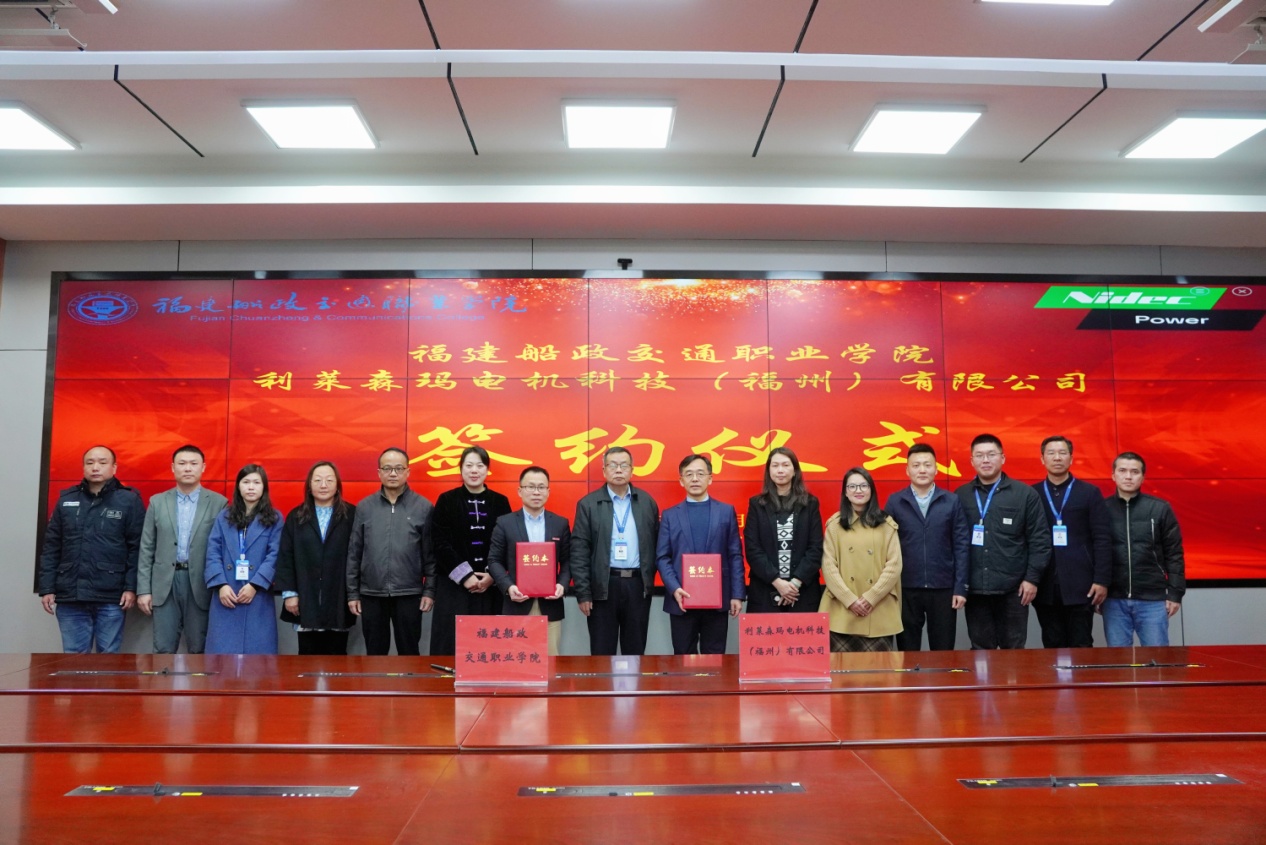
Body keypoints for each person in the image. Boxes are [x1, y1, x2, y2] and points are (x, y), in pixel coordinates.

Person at [38, 445, 144, 654]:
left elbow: (137, 548)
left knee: (108, 657)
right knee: (74, 658)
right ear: (83, 467)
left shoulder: (129, 501)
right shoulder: (66, 499)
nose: (95, 467)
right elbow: (51, 547)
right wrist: (47, 588)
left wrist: (131, 587)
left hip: (111, 595)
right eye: (90, 462)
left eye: (102, 462)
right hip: (71, 594)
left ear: (114, 468)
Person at [955, 434, 1051, 650]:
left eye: (991, 454)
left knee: (1014, 653)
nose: (985, 460)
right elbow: (955, 543)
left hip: (1014, 590)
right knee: (980, 653)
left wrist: (1032, 579)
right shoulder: (961, 495)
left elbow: (1040, 541)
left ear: (1003, 458)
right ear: (972, 461)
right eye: (979, 455)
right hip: (976, 590)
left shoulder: (1024, 494)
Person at [137, 444, 227, 654]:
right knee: (163, 648)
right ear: (172, 467)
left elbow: (223, 550)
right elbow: (146, 548)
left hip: (201, 584)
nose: (188, 468)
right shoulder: (157, 502)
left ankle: (200, 679)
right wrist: (143, 590)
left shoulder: (219, 503)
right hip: (164, 584)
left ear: (203, 467)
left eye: (193, 464)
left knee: (200, 648)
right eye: (182, 463)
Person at [346, 447, 436, 656]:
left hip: (409, 593)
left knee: (409, 652)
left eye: (398, 468)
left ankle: (409, 680)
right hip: (371, 593)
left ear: (408, 472)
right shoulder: (365, 507)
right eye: (387, 468)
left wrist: (429, 591)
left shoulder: (423, 507)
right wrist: (353, 593)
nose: (393, 473)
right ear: (379, 473)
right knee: (375, 654)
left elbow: (430, 556)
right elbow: (354, 553)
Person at [571, 446, 661, 655]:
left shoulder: (646, 502)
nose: (618, 470)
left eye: (624, 465)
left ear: (632, 470)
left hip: (637, 586)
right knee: (602, 652)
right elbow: (579, 552)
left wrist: (648, 581)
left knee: (635, 651)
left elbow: (657, 546)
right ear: (604, 470)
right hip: (603, 586)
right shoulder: (588, 504)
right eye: (612, 465)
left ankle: (633, 679)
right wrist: (583, 593)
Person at [655, 454, 745, 655]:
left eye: (700, 474)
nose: (695, 479)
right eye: (689, 474)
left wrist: (737, 594)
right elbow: (662, 557)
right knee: (683, 658)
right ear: (681, 480)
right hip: (681, 600)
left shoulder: (726, 511)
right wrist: (674, 588)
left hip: (717, 600)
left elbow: (735, 555)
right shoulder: (669, 515)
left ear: (710, 479)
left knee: (715, 658)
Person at [428, 446, 513, 655]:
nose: (474, 470)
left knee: (488, 645)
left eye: (480, 465)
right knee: (452, 645)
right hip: (454, 587)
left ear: (487, 470)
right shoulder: (446, 500)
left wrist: (493, 575)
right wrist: (465, 576)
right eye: (469, 465)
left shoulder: (500, 502)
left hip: (491, 587)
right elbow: (439, 543)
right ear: (461, 469)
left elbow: (507, 543)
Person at [884, 444, 969, 651]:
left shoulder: (951, 501)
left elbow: (961, 545)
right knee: (907, 649)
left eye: (927, 465)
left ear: (936, 469)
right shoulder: (895, 501)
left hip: (943, 587)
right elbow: (885, 546)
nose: (922, 470)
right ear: (907, 470)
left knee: (943, 649)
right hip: (906, 587)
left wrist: (960, 587)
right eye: (916, 465)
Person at [1032, 436, 1112, 648]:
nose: (1057, 458)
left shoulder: (1089, 492)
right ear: (1042, 459)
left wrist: (1102, 580)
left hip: (1082, 584)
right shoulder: (1032, 494)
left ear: (1071, 458)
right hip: (1045, 585)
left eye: (1062, 453)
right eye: (1051, 453)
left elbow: (1102, 539)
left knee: (1081, 644)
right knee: (1052, 643)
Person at [1102, 451, 1185, 647]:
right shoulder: (1101, 508)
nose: (1128, 476)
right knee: (1119, 660)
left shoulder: (1160, 508)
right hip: (1113, 599)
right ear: (1113, 475)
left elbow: (1174, 554)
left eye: (1134, 472)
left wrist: (1175, 594)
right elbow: (1093, 554)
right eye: (1122, 471)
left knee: (1157, 659)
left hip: (1153, 599)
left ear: (1143, 477)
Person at [487, 466, 571, 656]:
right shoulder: (505, 523)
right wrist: (508, 587)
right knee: (517, 661)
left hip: (550, 605)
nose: (536, 492)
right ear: (520, 491)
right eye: (530, 487)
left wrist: (562, 585)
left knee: (550, 661)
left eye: (541, 487)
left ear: (548, 491)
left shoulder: (560, 523)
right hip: (516, 603)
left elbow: (567, 561)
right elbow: (494, 560)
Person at [275, 461, 357, 655]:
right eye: (318, 480)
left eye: (329, 480)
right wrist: (290, 593)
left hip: (339, 596)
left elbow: (358, 556)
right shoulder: (296, 516)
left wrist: (355, 595)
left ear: (337, 485)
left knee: (337, 656)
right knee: (307, 656)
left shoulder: (352, 515)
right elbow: (286, 556)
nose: (323, 485)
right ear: (309, 486)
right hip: (306, 596)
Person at [820, 468, 903, 652]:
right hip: (842, 610)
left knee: (880, 669)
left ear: (871, 490)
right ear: (845, 492)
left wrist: (871, 598)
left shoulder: (886, 524)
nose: (858, 490)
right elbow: (828, 566)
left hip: (878, 609)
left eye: (863, 486)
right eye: (852, 486)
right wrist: (849, 600)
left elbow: (894, 565)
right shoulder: (835, 525)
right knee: (840, 668)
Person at [204, 464, 283, 654]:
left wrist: (255, 585)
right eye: (246, 482)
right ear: (238, 486)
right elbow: (213, 552)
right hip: (227, 594)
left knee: (258, 655)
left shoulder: (275, 518)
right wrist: (221, 585)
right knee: (222, 655)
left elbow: (275, 555)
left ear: (264, 487)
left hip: (258, 595)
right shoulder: (224, 517)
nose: (251, 487)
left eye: (256, 482)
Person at [743, 447, 824, 614]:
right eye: (775, 465)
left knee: (802, 633)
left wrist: (794, 584)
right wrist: (778, 582)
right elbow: (753, 549)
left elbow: (815, 548)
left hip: (802, 591)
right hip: (765, 590)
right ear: (769, 471)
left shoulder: (810, 503)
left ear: (794, 471)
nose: (780, 470)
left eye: (786, 465)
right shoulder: (757, 504)